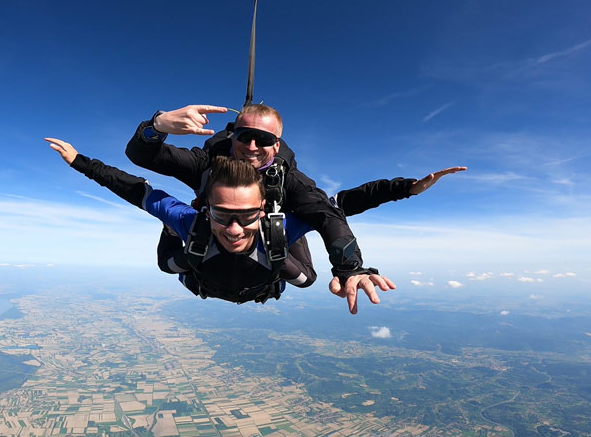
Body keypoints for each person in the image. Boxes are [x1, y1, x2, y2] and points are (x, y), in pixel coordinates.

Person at [125, 104, 465, 297]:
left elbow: (331, 211)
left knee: (309, 223)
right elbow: (143, 155)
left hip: (264, 259)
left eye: (264, 139)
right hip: (210, 250)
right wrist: (157, 125)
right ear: (233, 138)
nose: (252, 147)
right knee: (180, 233)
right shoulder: (207, 165)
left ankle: (261, 254)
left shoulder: (290, 182)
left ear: (277, 145)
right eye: (245, 136)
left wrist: (350, 267)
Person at [46, 138, 395, 314]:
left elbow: (336, 207)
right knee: (171, 256)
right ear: (206, 207)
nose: (234, 230)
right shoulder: (191, 219)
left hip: (263, 270)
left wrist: (401, 190)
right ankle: (185, 231)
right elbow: (134, 189)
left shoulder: (277, 227)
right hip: (203, 268)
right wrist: (81, 162)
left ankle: (266, 233)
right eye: (223, 215)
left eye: (246, 216)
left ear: (262, 210)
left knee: (306, 278)